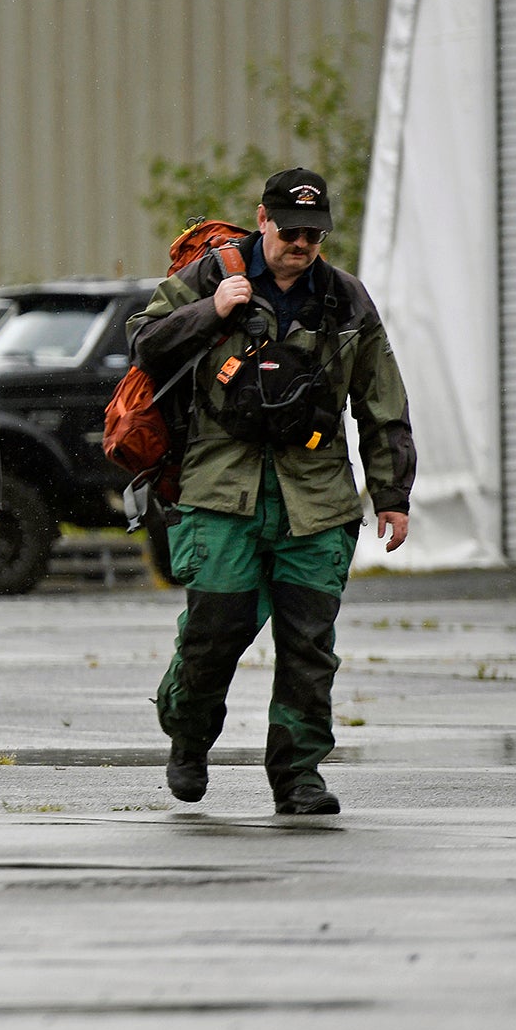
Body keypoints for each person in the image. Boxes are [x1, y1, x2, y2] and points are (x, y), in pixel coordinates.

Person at [128, 169, 413, 815]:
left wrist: (392, 491)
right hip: (221, 487)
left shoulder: (345, 300)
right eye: (290, 229)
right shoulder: (210, 276)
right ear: (263, 218)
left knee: (308, 643)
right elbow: (143, 343)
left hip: (316, 497)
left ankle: (299, 775)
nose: (302, 242)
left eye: (314, 233)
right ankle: (189, 736)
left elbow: (381, 397)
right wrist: (212, 310)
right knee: (215, 631)